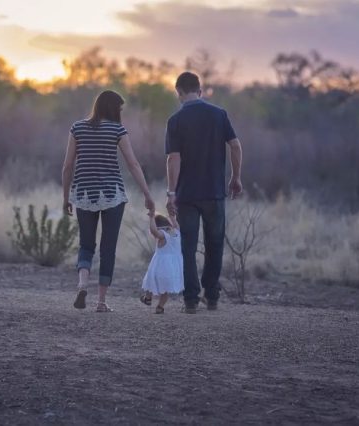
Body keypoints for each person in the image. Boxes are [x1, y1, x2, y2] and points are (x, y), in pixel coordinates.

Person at [62, 90, 155, 312]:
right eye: (120, 109)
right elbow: (133, 164)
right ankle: (101, 302)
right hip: (112, 194)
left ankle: (83, 284)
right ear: (113, 109)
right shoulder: (117, 130)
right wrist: (147, 194)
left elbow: (67, 166)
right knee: (108, 247)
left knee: (86, 244)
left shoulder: (77, 128)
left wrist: (66, 197)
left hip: (84, 193)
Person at [165, 72, 243, 314]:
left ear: (178, 92)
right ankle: (212, 296)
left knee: (187, 247)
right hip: (214, 192)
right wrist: (235, 177)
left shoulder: (176, 120)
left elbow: (173, 159)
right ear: (200, 90)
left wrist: (171, 192)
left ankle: (190, 299)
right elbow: (235, 145)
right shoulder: (218, 115)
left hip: (187, 194)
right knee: (215, 244)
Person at [140, 212, 184, 314]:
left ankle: (148, 298)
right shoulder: (176, 232)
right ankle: (160, 307)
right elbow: (176, 224)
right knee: (166, 289)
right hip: (174, 268)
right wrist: (172, 217)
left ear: (158, 226)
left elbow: (154, 231)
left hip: (160, 266)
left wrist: (151, 218)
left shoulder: (162, 235)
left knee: (151, 279)